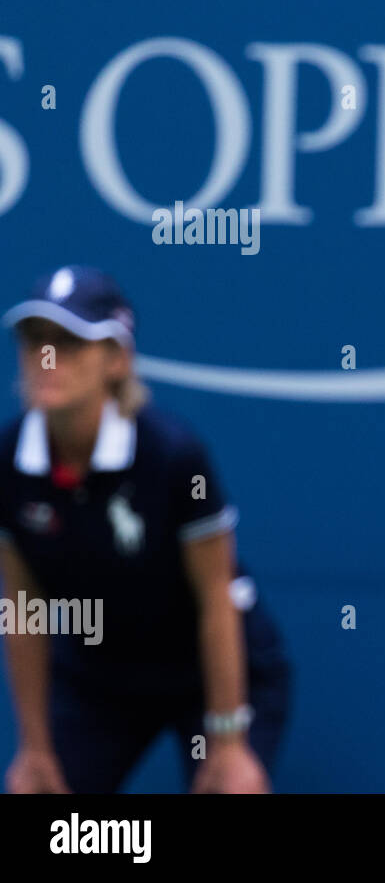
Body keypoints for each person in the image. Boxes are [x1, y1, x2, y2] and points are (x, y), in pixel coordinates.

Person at [0, 266, 291, 793]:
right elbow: (23, 607)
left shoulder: (174, 456)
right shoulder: (9, 458)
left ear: (117, 359)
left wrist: (227, 743)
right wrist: (36, 748)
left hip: (212, 672)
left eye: (69, 342)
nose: (47, 359)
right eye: (35, 340)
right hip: (99, 674)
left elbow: (216, 600)